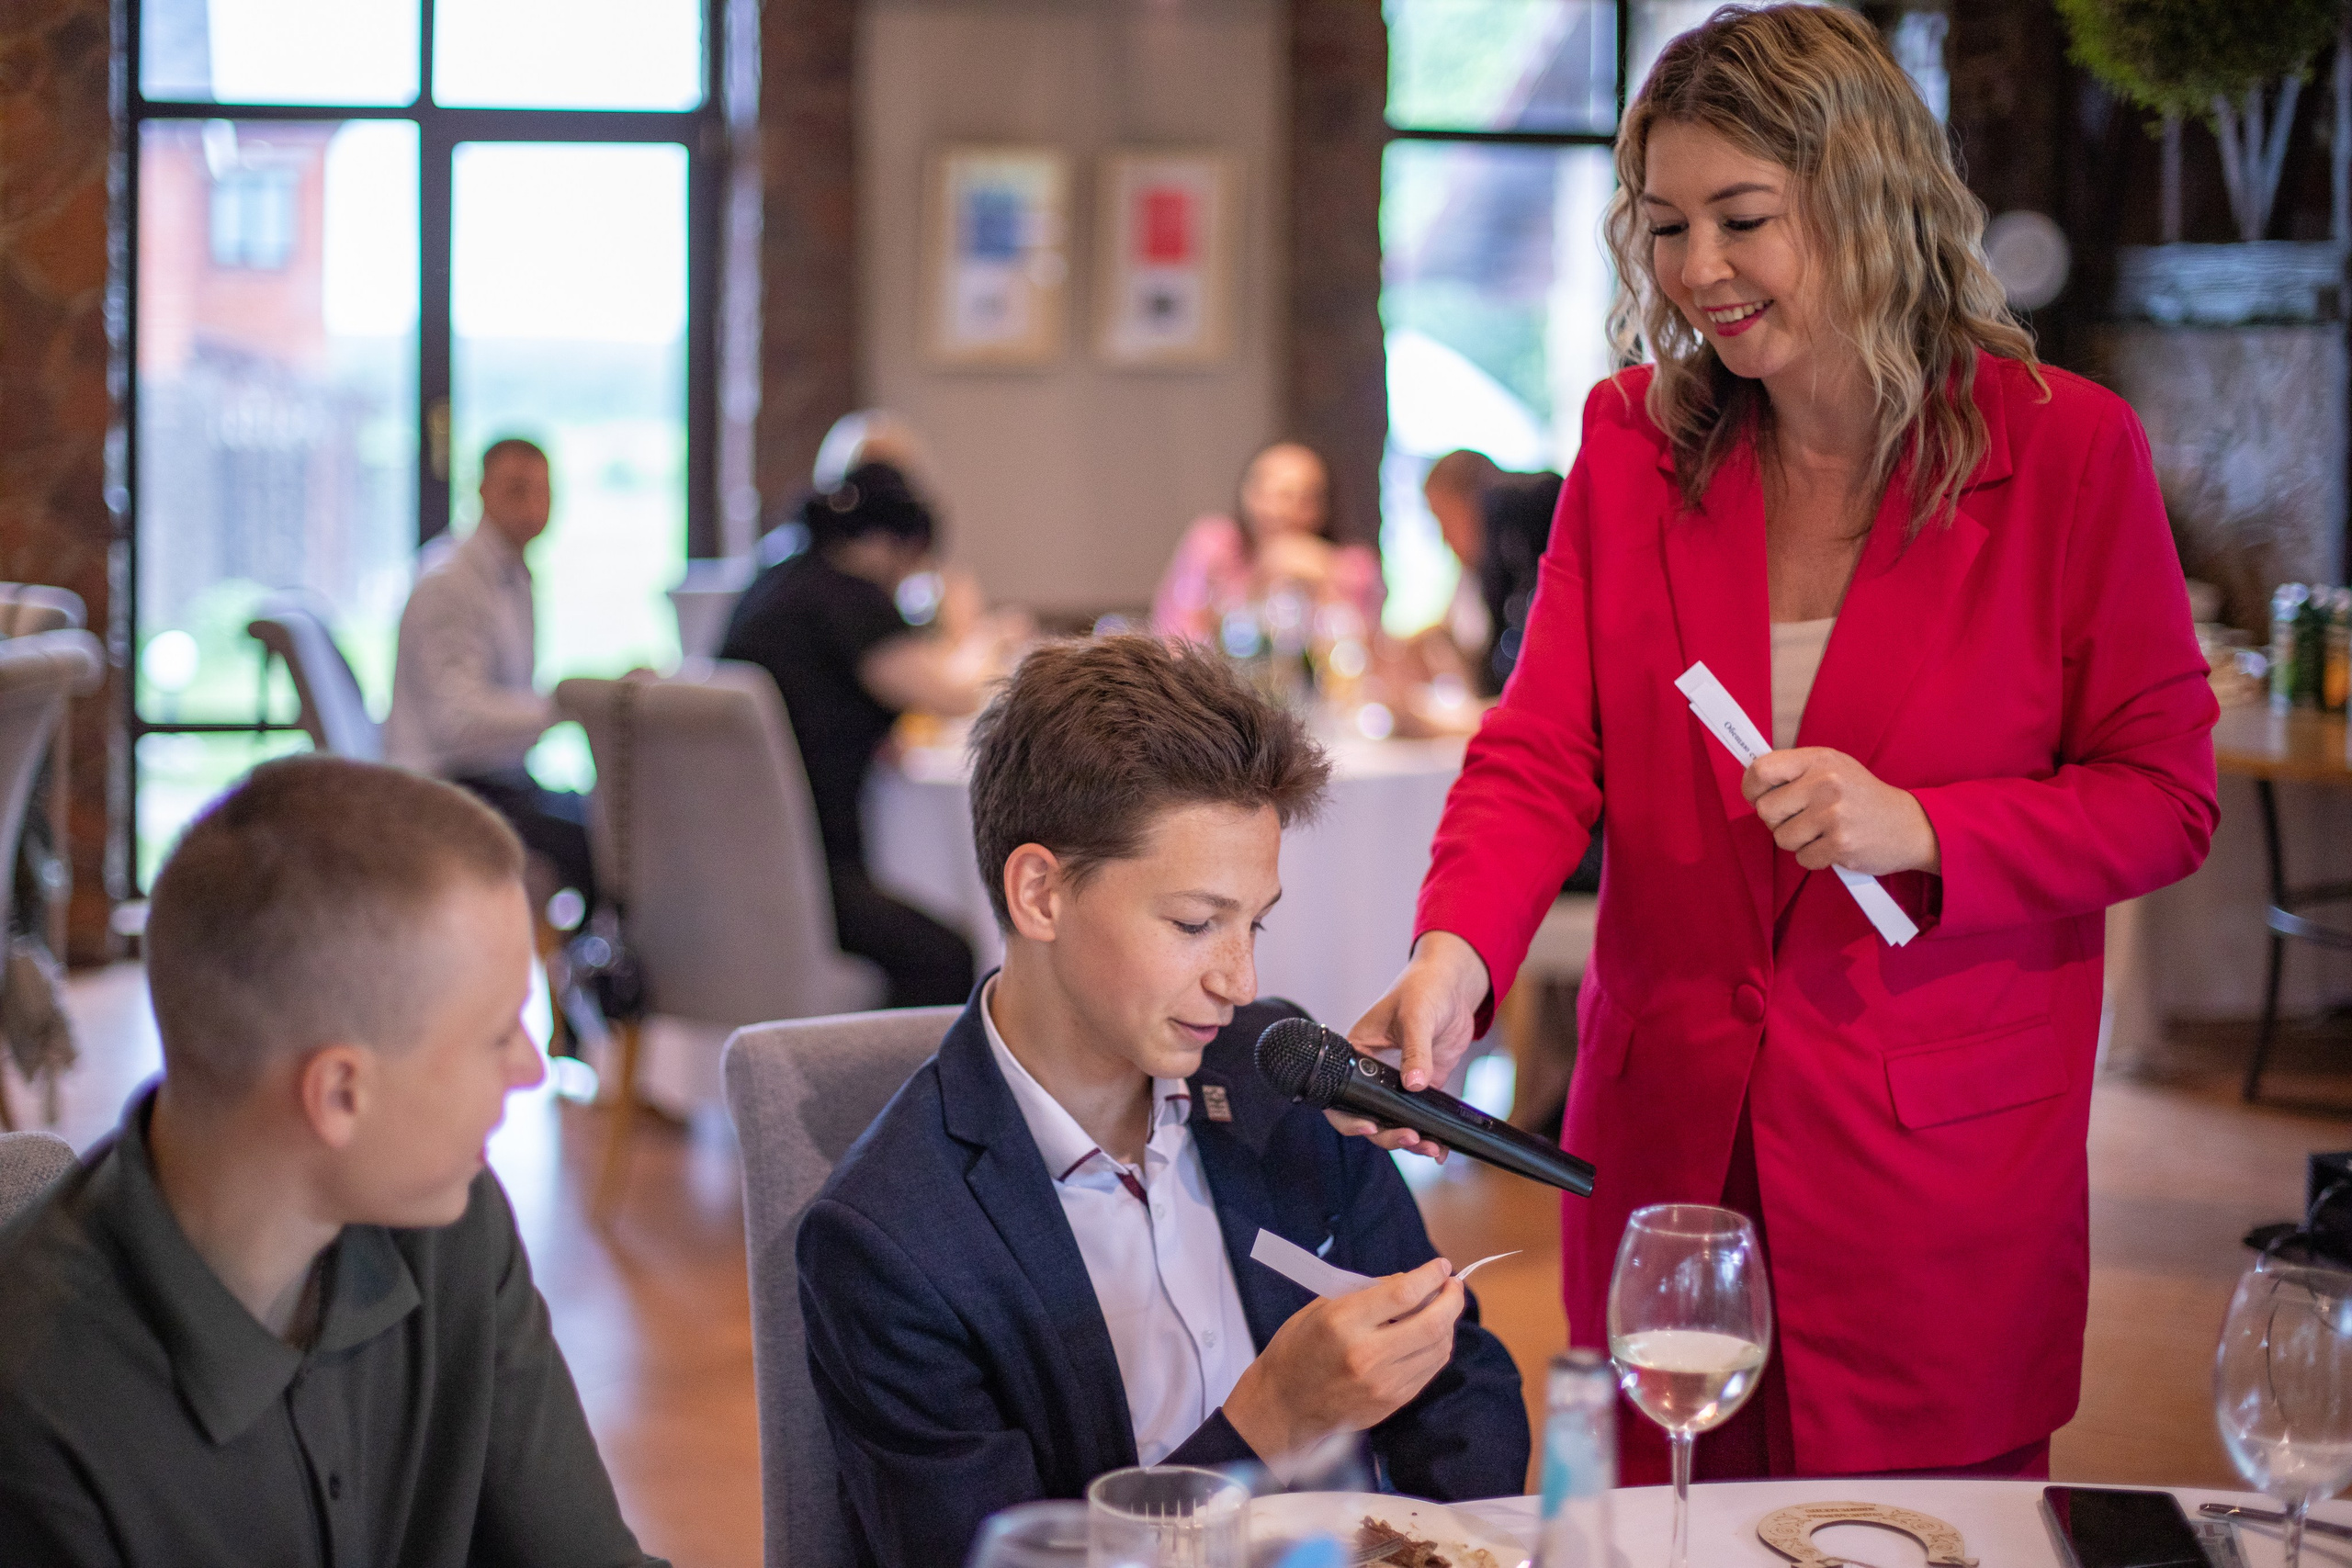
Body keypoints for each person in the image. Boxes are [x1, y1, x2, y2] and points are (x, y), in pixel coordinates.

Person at [1346, 4, 2219, 1485]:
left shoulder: (2069, 452)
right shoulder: (1633, 445)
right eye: (1668, 224)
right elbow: (1544, 747)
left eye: (1743, 218)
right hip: (1672, 1158)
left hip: (1937, 1170)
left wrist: (1928, 828)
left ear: (1867, 200)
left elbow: (2166, 797)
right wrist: (1458, 955)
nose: (1698, 272)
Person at [797, 637, 1527, 1567]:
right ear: (1039, 893)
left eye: (1252, 922)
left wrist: (1455, 1549)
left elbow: (1458, 1380)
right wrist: (1269, 1422)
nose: (1240, 977)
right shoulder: (890, 1239)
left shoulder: (1272, 1067)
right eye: (1193, 924)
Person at [0, 757, 662, 1567]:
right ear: (340, 1092)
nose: (529, 1066)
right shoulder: (38, 1410)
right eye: (497, 1034)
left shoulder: (450, 1217)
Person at [718, 462, 1018, 1008]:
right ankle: (898, 1088)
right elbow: (952, 693)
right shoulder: (847, 600)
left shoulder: (773, 581)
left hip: (732, 865)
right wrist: (988, 636)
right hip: (805, 872)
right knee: (945, 955)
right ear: (893, 545)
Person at [385, 437, 594, 916]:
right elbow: (459, 723)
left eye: (544, 492)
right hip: (446, 790)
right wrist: (570, 709)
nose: (535, 506)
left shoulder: (512, 575)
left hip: (497, 777)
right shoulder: (450, 582)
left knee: (608, 824)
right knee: (597, 842)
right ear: (481, 492)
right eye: (518, 489)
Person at [1152, 441, 1385, 645]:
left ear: (1323, 506)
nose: (1277, 510)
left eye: (1296, 496)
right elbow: (1177, 640)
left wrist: (1325, 587)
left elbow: (1367, 657)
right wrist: (1258, 583)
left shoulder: (1352, 564)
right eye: (1264, 490)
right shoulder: (1213, 544)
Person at [1419, 449, 1563, 698]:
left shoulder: (1524, 565)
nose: (1444, 539)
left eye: (1444, 519)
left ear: (1475, 506)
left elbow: (1516, 690)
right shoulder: (1478, 576)